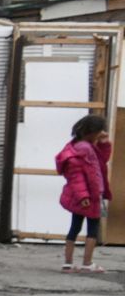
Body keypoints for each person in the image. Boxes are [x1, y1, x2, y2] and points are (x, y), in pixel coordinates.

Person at [57, 114, 111, 273]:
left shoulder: (81, 146)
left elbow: (102, 160)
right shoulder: (84, 149)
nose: (102, 133)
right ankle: (87, 263)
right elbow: (76, 177)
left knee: (75, 227)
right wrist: (84, 197)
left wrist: (104, 143)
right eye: (100, 131)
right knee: (92, 229)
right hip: (88, 197)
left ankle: (68, 263)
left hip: (87, 196)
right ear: (92, 131)